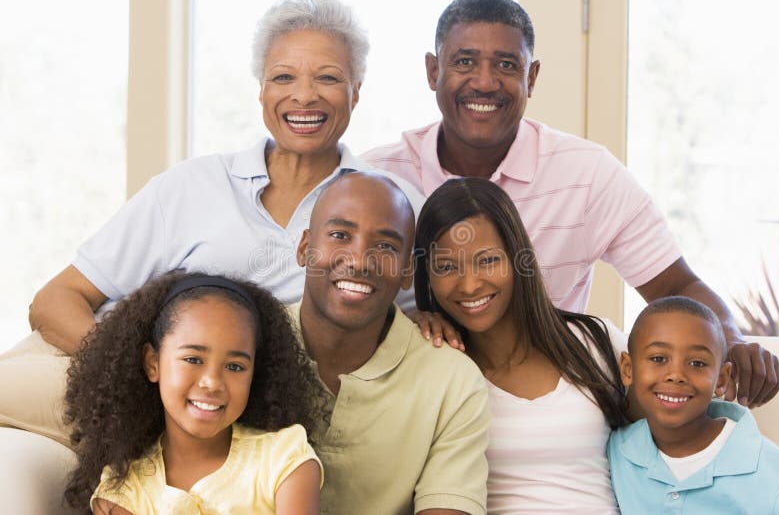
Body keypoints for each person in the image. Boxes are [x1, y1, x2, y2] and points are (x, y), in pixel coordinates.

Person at [0, 0, 425, 446]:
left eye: (328, 78)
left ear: (356, 91)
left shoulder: (392, 206)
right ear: (261, 91)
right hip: (98, 371)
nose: (304, 95)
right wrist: (145, 376)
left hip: (218, 415)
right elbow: (54, 300)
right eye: (283, 77)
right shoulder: (193, 185)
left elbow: (429, 317)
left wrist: (436, 323)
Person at [362, 0, 779, 407]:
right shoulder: (377, 177)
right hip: (420, 401)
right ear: (433, 71)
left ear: (532, 77)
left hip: (544, 406)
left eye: (506, 65)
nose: (485, 82)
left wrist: (735, 339)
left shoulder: (586, 174)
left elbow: (679, 284)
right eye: (464, 61)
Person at [414, 177, 627, 513]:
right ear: (426, 273)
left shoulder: (596, 341)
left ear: (517, 257)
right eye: (446, 267)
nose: (469, 285)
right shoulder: (434, 367)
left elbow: (678, 430)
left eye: (487, 261)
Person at [292, 171, 490, 514]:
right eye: (340, 235)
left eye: (385, 246)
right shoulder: (247, 348)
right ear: (305, 248)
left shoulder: (452, 380)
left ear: (407, 271)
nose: (358, 261)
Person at [64, 272, 324, 514]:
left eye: (235, 367)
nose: (212, 382)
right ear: (153, 363)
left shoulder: (284, 458)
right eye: (193, 359)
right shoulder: (124, 488)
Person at [608, 296, 779, 513]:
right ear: (628, 369)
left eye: (697, 363)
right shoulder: (614, 453)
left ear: (721, 379)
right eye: (659, 358)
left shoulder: (778, 478)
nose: (676, 375)